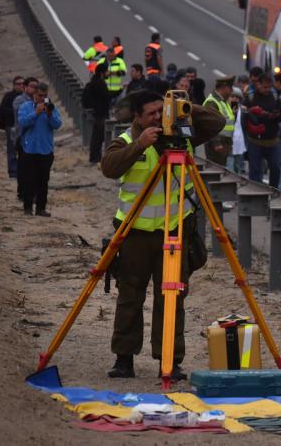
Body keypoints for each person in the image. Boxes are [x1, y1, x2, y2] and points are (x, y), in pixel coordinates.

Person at [101, 91, 224, 379]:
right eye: (151, 113)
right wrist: (141, 145)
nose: (157, 117)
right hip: (134, 235)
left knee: (171, 298)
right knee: (130, 297)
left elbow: (216, 122)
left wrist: (180, 109)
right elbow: (109, 167)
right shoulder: (127, 140)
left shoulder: (182, 136)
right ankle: (124, 359)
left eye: (161, 111)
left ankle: (169, 360)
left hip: (174, 230)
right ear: (137, 117)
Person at [17, 83, 62, 216]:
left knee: (43, 180)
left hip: (45, 150)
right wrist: (36, 113)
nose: (42, 98)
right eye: (40, 95)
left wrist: (49, 114)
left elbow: (57, 124)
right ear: (34, 95)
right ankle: (28, 208)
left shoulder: (50, 108)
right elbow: (22, 122)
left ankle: (41, 208)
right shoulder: (25, 107)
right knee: (28, 180)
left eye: (44, 95)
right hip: (29, 149)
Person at [244, 75, 281, 186]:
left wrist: (276, 116)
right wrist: (253, 113)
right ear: (258, 84)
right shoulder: (251, 97)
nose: (267, 90)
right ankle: (255, 195)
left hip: (272, 141)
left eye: (269, 87)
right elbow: (242, 113)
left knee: (276, 167)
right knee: (255, 170)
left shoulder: (275, 96)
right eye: (265, 87)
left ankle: (274, 191)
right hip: (255, 141)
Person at [13, 77, 38, 202]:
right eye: (32, 86)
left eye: (36, 86)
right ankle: (22, 193)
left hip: (36, 140)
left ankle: (33, 193)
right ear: (25, 87)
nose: (34, 89)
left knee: (35, 169)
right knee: (23, 168)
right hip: (22, 138)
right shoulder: (19, 101)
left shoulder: (39, 102)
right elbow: (22, 120)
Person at [202, 76, 236, 166]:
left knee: (222, 174)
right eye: (230, 88)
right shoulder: (212, 102)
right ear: (223, 87)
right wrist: (217, 143)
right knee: (215, 174)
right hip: (217, 145)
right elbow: (210, 125)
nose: (232, 91)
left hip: (225, 143)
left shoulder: (223, 101)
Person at [82, 63, 111, 163]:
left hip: (97, 114)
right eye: (106, 71)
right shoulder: (100, 84)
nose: (108, 73)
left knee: (96, 136)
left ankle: (95, 157)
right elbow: (105, 98)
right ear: (102, 73)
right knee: (98, 137)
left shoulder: (93, 82)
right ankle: (96, 158)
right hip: (100, 115)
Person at [0, 76, 24, 179]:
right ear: (14, 85)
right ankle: (13, 172)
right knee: (12, 149)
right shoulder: (8, 96)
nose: (21, 85)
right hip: (12, 126)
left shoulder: (29, 97)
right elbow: (3, 110)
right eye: (18, 84)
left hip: (25, 127)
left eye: (23, 83)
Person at [228, 88, 247, 175]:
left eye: (237, 97)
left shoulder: (243, 111)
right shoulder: (226, 109)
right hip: (229, 143)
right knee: (230, 169)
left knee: (238, 168)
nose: (235, 99)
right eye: (232, 96)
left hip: (240, 144)